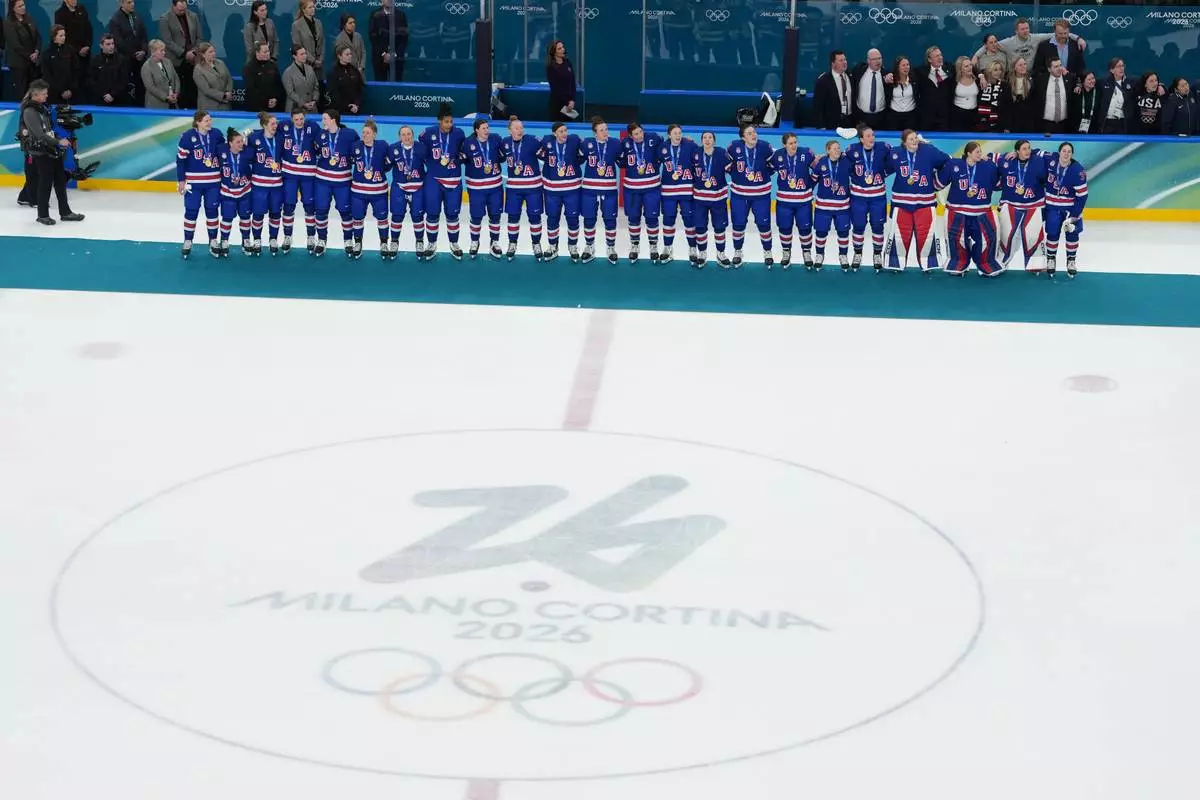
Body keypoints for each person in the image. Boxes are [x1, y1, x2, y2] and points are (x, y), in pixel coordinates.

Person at [883, 129, 950, 272]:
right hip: (901, 202)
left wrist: (937, 182)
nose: (915, 142)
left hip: (925, 202)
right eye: (911, 139)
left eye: (915, 138)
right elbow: (883, 170)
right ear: (904, 142)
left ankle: (929, 263)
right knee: (899, 236)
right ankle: (896, 264)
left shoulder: (929, 151)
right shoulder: (896, 153)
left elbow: (948, 162)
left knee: (927, 235)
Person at [19, 80, 84, 225]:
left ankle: (65, 212)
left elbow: (48, 130)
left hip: (51, 149)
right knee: (45, 182)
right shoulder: (30, 111)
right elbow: (39, 135)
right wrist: (58, 142)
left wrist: (59, 139)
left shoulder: (42, 108)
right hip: (41, 152)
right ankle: (42, 215)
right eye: (44, 93)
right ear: (36, 95)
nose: (47, 96)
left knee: (60, 181)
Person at [936, 141, 1003, 277]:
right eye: (977, 152)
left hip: (982, 211)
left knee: (987, 240)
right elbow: (938, 184)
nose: (980, 154)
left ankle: (986, 263)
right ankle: (958, 262)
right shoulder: (954, 165)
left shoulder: (988, 166)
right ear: (968, 153)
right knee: (956, 239)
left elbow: (998, 185)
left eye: (980, 151)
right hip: (957, 212)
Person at [992, 139, 1051, 272]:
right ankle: (1001, 262)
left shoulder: (1038, 159)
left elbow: (1053, 156)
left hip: (1034, 206)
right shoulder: (1006, 159)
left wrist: (1030, 151)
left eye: (1029, 148)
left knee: (1033, 235)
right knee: (1006, 236)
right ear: (1017, 151)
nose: (1028, 151)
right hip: (1010, 205)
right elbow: (990, 157)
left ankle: (1036, 265)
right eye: (1024, 149)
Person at [174, 109, 224, 258]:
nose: (210, 123)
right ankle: (188, 240)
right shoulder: (187, 137)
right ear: (198, 122)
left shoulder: (217, 134)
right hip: (194, 183)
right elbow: (180, 160)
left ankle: (213, 241)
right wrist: (181, 180)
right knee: (191, 211)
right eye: (206, 120)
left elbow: (224, 153)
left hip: (213, 183)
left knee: (212, 211)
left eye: (210, 120)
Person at [419, 104, 466, 260]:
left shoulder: (459, 134)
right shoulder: (427, 133)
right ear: (440, 121)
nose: (449, 125)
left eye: (451, 121)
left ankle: (454, 243)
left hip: (453, 179)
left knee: (453, 214)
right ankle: (431, 244)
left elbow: (463, 153)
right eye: (446, 121)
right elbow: (421, 150)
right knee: (432, 213)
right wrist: (431, 164)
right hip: (434, 179)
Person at [843, 125, 890, 271]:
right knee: (858, 226)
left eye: (873, 135)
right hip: (858, 197)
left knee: (877, 226)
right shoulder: (852, 150)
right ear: (861, 139)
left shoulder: (883, 148)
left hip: (878, 197)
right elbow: (843, 165)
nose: (872, 138)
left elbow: (896, 159)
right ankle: (858, 253)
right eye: (868, 136)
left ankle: (877, 254)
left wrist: (884, 174)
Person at [726, 124, 773, 268]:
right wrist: (740, 178)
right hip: (739, 195)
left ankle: (767, 251)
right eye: (749, 133)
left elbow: (773, 166)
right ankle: (738, 251)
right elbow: (728, 166)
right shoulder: (733, 147)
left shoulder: (765, 147)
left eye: (754, 132)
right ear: (743, 137)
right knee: (738, 224)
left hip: (761, 194)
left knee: (764, 224)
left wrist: (760, 178)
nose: (753, 135)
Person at [768, 131, 816, 271]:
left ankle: (806, 252)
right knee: (784, 228)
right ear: (784, 145)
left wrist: (810, 184)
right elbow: (768, 171)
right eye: (790, 143)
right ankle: (786, 252)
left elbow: (818, 170)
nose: (794, 145)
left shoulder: (806, 153)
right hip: (784, 201)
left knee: (805, 229)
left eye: (795, 142)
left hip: (803, 201)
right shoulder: (777, 156)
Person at [314, 108, 358, 257]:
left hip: (342, 181)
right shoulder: (320, 135)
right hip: (322, 181)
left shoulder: (350, 134)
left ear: (333, 120)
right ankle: (321, 240)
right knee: (320, 210)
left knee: (345, 212)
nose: (323, 121)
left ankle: (348, 241)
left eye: (325, 118)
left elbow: (358, 152)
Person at [500, 116, 544, 261]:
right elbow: (497, 157)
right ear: (509, 130)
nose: (520, 130)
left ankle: (536, 244)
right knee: (513, 216)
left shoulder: (532, 140)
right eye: (516, 128)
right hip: (514, 188)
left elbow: (547, 155)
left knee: (534, 217)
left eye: (521, 127)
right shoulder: (505, 143)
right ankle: (512, 244)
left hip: (533, 187)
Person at [619, 122, 664, 264]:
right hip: (632, 188)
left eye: (640, 132)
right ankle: (635, 245)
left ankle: (653, 246)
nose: (639, 136)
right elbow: (620, 162)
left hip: (652, 187)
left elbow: (667, 147)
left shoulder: (653, 138)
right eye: (636, 134)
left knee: (652, 218)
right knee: (633, 218)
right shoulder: (625, 143)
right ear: (630, 136)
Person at [539, 121, 583, 261]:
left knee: (572, 218)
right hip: (552, 190)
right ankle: (553, 246)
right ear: (554, 133)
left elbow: (582, 157)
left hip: (572, 189)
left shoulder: (574, 140)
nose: (564, 133)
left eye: (565, 130)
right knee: (552, 218)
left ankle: (573, 245)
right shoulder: (547, 141)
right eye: (561, 131)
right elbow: (540, 155)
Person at [278, 109, 321, 252]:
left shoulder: (313, 127)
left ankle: (310, 236)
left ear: (305, 117)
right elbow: (269, 132)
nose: (299, 122)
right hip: (290, 174)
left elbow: (323, 140)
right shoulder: (283, 127)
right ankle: (287, 236)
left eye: (301, 119)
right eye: (296, 119)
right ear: (291, 119)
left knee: (309, 206)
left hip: (308, 174)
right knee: (289, 206)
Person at [461, 118, 505, 259]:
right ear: (476, 130)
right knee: (476, 216)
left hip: (495, 187)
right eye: (484, 128)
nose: (487, 130)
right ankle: (475, 241)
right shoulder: (468, 143)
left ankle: (495, 242)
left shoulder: (496, 139)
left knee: (495, 216)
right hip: (476, 187)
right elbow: (461, 159)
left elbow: (502, 157)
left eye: (488, 127)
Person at [348, 118, 391, 259]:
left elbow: (388, 165)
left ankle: (384, 243)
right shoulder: (355, 146)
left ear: (374, 134)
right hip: (358, 192)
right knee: (357, 218)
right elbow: (350, 161)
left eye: (367, 132)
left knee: (382, 218)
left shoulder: (383, 146)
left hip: (379, 191)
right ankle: (358, 242)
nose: (364, 135)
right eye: (363, 132)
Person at [580, 116, 620, 265]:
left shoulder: (615, 144)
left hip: (609, 190)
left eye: (606, 129)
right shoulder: (586, 144)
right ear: (595, 132)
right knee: (589, 218)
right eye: (601, 130)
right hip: (589, 190)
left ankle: (611, 248)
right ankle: (590, 246)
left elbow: (623, 160)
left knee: (610, 219)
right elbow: (577, 159)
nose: (605, 132)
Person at [1043, 142, 1087, 278]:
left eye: (1069, 151)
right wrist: (1015, 153)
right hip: (1052, 207)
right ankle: (1051, 259)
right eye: (1064, 151)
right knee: (1052, 233)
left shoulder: (1077, 170)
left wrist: (1074, 216)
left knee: (1072, 234)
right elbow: (1033, 153)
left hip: (1069, 209)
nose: (1066, 154)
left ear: (1072, 154)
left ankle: (1071, 261)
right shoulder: (1050, 159)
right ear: (1059, 152)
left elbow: (1083, 195)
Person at [657, 124, 699, 266]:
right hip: (668, 190)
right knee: (668, 219)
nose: (678, 135)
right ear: (669, 135)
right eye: (675, 133)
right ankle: (668, 248)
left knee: (689, 219)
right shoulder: (662, 147)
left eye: (680, 132)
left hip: (686, 190)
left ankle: (693, 248)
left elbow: (699, 161)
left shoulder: (690, 145)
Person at [691, 130, 732, 270]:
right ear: (701, 140)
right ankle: (702, 253)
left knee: (719, 227)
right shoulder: (695, 153)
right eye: (704, 137)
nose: (707, 140)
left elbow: (732, 170)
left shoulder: (721, 153)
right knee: (700, 227)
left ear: (714, 140)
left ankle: (721, 253)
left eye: (710, 137)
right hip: (699, 199)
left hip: (718, 198)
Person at [809, 140, 852, 271]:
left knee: (843, 232)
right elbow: (813, 181)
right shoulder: (821, 163)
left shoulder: (846, 161)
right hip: (823, 206)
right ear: (828, 150)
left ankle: (843, 255)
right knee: (821, 232)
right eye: (834, 149)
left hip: (842, 206)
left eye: (839, 148)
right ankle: (819, 255)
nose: (837, 151)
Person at [246, 111, 284, 255]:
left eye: (276, 123)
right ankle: (257, 239)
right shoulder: (253, 138)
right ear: (264, 125)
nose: (276, 126)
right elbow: (246, 157)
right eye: (272, 124)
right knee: (258, 213)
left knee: (275, 213)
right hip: (259, 185)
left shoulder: (280, 138)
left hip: (276, 185)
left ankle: (273, 239)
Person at [386, 124, 426, 258]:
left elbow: (431, 165)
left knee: (417, 216)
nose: (406, 137)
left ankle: (419, 241)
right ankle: (394, 241)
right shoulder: (393, 148)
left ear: (413, 135)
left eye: (408, 134)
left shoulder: (421, 147)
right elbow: (386, 166)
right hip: (400, 186)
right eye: (403, 134)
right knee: (397, 215)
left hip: (418, 187)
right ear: (399, 137)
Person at [216, 126, 253, 257]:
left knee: (245, 217)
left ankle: (246, 241)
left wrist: (247, 136)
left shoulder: (248, 152)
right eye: (238, 142)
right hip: (228, 192)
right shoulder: (221, 150)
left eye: (242, 141)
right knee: (227, 218)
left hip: (244, 192)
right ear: (230, 143)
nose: (241, 144)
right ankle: (224, 241)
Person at [159, 0, 199, 108]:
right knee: (179, 90)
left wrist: (194, 52)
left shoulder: (193, 16)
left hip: (193, 60)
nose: (183, 12)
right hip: (176, 61)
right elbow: (167, 41)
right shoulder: (165, 18)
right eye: (180, 10)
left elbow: (199, 37)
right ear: (173, 6)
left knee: (192, 89)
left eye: (184, 9)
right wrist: (184, 54)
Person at [106, 0, 148, 105]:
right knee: (126, 89)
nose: (132, 4)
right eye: (129, 2)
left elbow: (143, 36)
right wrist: (134, 54)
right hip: (125, 61)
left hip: (140, 60)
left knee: (141, 87)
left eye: (133, 2)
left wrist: (143, 50)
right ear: (122, 3)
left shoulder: (137, 16)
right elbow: (119, 42)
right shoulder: (115, 20)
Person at [4, 0, 41, 102]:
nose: (23, 7)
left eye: (23, 5)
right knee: (23, 94)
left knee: (34, 92)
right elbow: (15, 45)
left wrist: (37, 51)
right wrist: (30, 56)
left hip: (32, 63)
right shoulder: (8, 23)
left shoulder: (29, 18)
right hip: (19, 63)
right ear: (13, 8)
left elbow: (38, 37)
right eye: (20, 6)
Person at [368, 0, 408, 82]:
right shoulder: (375, 15)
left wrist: (395, 54)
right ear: (382, 1)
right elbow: (373, 37)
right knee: (380, 86)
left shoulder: (401, 15)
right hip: (380, 58)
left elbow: (404, 38)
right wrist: (383, 54)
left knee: (397, 86)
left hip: (397, 59)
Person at [814, 50, 854, 130]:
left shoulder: (851, 76)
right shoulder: (823, 81)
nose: (844, 62)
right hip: (831, 124)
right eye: (841, 60)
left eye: (845, 60)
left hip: (850, 122)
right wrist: (821, 126)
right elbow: (818, 106)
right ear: (833, 64)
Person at [914, 47, 951, 131]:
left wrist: (981, 76)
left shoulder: (950, 69)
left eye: (940, 55)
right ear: (929, 59)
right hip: (927, 117)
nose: (940, 58)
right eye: (936, 56)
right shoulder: (920, 72)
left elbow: (968, 68)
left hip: (945, 117)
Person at [851, 49, 889, 131]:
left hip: (881, 118)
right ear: (868, 61)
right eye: (874, 59)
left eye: (879, 58)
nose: (878, 61)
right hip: (861, 117)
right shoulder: (858, 72)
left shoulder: (887, 74)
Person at [1036, 57, 1076, 134]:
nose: (1059, 68)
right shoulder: (1041, 80)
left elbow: (1079, 80)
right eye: (1055, 67)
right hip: (1046, 125)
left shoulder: (1069, 78)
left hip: (1064, 125)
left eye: (1060, 65)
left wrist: (1078, 85)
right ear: (1049, 69)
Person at [88, 34, 128, 106]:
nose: (111, 46)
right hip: (100, 100)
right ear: (101, 45)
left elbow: (124, 80)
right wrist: (103, 94)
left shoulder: (121, 60)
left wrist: (112, 94)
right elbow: (91, 80)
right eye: (108, 44)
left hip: (118, 101)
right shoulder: (95, 61)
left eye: (112, 44)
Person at [1097, 57, 1134, 134]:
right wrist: (1078, 85)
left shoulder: (1130, 82)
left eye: (1122, 66)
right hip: (1107, 122)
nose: (1121, 68)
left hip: (1123, 122)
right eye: (1118, 66)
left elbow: (1145, 83)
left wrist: (1160, 86)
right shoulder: (1103, 83)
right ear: (1112, 70)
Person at [53, 0, 92, 74]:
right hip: (70, 55)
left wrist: (88, 45)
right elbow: (62, 36)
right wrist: (78, 49)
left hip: (86, 53)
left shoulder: (82, 9)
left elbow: (89, 29)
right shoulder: (60, 14)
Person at [43, 25, 80, 103]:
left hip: (70, 93)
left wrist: (71, 89)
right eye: (61, 35)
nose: (63, 38)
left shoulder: (70, 50)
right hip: (54, 94)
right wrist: (61, 91)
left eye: (64, 35)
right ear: (54, 37)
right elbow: (47, 75)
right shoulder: (47, 53)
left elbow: (75, 70)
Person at [243, 40, 283, 112]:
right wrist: (266, 101)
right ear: (257, 53)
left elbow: (279, 85)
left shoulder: (272, 65)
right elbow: (251, 89)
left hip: (273, 107)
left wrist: (276, 99)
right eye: (265, 52)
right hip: (257, 108)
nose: (268, 54)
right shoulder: (249, 68)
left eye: (268, 51)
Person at [193, 42, 233, 112]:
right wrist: (223, 95)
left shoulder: (220, 63)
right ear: (203, 55)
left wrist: (228, 91)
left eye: (214, 51)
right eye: (210, 52)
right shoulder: (198, 69)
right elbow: (206, 90)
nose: (213, 54)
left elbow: (229, 79)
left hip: (225, 105)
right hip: (209, 107)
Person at [999, 57, 1035, 133]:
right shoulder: (1007, 82)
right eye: (1020, 65)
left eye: (1025, 64)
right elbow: (1005, 106)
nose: (1023, 67)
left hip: (1028, 120)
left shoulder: (1031, 80)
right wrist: (1006, 126)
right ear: (1014, 67)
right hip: (1013, 120)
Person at [141, 38, 179, 109]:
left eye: (164, 50)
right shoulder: (146, 67)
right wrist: (166, 97)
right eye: (161, 51)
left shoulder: (168, 62)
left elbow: (176, 77)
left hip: (173, 102)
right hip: (156, 105)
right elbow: (150, 87)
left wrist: (176, 93)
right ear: (153, 52)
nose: (164, 52)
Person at [545, 39, 577, 122]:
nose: (563, 49)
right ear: (554, 52)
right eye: (559, 48)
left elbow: (572, 82)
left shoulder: (567, 62)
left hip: (570, 103)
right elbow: (555, 88)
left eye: (562, 47)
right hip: (557, 104)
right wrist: (567, 102)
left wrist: (572, 100)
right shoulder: (551, 67)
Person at [328, 44, 364, 115]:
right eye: (347, 54)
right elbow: (333, 93)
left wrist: (356, 104)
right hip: (340, 111)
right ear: (339, 56)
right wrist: (348, 106)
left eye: (350, 54)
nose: (350, 56)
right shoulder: (333, 72)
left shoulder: (354, 70)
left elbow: (359, 89)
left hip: (355, 110)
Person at [282, 44, 319, 113]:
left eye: (305, 53)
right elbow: (290, 92)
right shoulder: (288, 72)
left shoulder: (310, 69)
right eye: (301, 54)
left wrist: (314, 100)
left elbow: (316, 86)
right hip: (295, 109)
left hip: (312, 109)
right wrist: (303, 103)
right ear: (294, 56)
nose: (305, 56)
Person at [291, 0, 325, 74]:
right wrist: (313, 60)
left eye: (313, 7)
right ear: (303, 9)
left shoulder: (319, 23)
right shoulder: (296, 25)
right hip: (305, 63)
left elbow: (322, 42)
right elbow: (298, 46)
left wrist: (320, 60)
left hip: (319, 66)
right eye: (310, 7)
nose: (313, 9)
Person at [886, 56, 918, 132]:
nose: (906, 67)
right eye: (903, 65)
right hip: (894, 117)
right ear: (897, 67)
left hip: (911, 117)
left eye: (908, 65)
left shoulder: (915, 79)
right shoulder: (891, 80)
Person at [950, 56, 979, 132]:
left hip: (974, 115)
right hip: (958, 115)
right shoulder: (953, 80)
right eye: (966, 66)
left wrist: (981, 76)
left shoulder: (977, 79)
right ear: (960, 69)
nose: (970, 68)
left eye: (970, 65)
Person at [977, 61, 1006, 132]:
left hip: (998, 125)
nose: (998, 72)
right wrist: (981, 76)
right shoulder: (982, 82)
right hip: (980, 123)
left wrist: (1007, 127)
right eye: (995, 70)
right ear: (989, 71)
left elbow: (1007, 107)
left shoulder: (1005, 85)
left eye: (1000, 69)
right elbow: (974, 69)